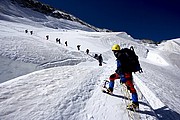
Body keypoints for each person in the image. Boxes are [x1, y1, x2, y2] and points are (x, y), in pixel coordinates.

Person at [107, 44, 139, 109]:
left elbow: (123, 68)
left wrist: (122, 78)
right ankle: (110, 89)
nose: (114, 53)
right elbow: (120, 68)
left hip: (126, 74)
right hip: (122, 73)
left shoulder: (121, 57)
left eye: (114, 51)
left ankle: (135, 104)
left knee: (131, 88)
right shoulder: (121, 55)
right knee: (112, 77)